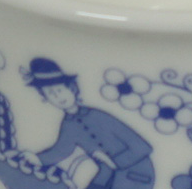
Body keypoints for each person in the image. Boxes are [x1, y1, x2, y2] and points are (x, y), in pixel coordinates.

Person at [17, 58, 155, 189]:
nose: (58, 97)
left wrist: (112, 161)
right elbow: (62, 149)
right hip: (106, 174)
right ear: (45, 98)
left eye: (59, 90)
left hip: (136, 172)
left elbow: (141, 147)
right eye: (51, 94)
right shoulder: (69, 124)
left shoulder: (98, 116)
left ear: (72, 88)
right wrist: (38, 159)